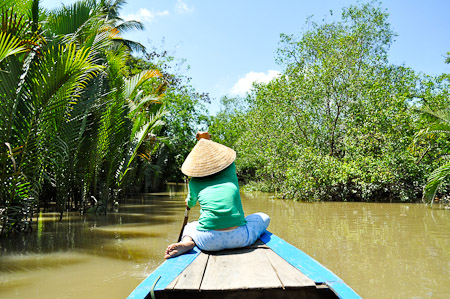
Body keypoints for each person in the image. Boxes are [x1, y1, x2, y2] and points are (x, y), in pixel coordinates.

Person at [164, 133, 270, 259]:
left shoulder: (195, 182)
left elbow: (191, 203)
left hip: (208, 241)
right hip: (240, 238)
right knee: (263, 217)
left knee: (190, 226)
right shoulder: (230, 173)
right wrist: (207, 141)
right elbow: (224, 158)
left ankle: (187, 242)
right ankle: (236, 225)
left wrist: (188, 201)